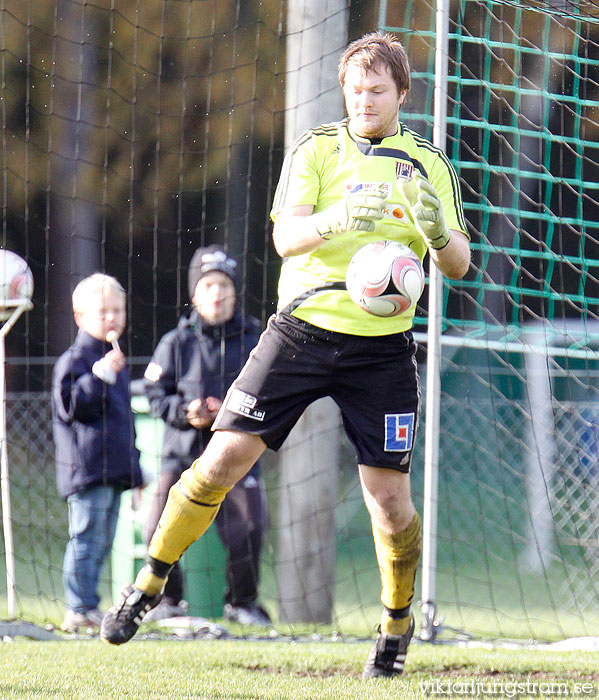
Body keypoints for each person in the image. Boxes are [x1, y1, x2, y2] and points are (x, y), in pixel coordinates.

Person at [101, 31, 470, 678]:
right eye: (354, 90)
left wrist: (436, 231)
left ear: (401, 94)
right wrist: (334, 221)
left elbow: (459, 265)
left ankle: (394, 623)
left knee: (387, 500)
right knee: (220, 461)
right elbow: (284, 239)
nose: (364, 101)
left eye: (377, 91)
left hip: (381, 349)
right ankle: (150, 582)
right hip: (300, 330)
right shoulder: (316, 149)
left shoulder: (426, 163)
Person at [141, 245, 270, 626]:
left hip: (236, 456)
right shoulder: (174, 342)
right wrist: (186, 413)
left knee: (250, 526)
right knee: (158, 525)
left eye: (223, 285)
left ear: (235, 290)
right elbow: (154, 394)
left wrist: (231, 416)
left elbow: (272, 391)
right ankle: (166, 601)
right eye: (208, 284)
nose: (216, 293)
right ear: (195, 292)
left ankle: (242, 604)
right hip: (181, 456)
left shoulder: (255, 340)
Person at [52, 273, 143, 633]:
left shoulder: (115, 360)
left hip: (113, 470)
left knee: (103, 540)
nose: (112, 317)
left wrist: (134, 472)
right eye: (102, 310)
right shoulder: (75, 359)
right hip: (86, 470)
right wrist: (99, 375)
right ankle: (78, 607)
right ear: (80, 317)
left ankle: (89, 603)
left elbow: (124, 421)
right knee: (86, 537)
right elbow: (70, 407)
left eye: (118, 310)